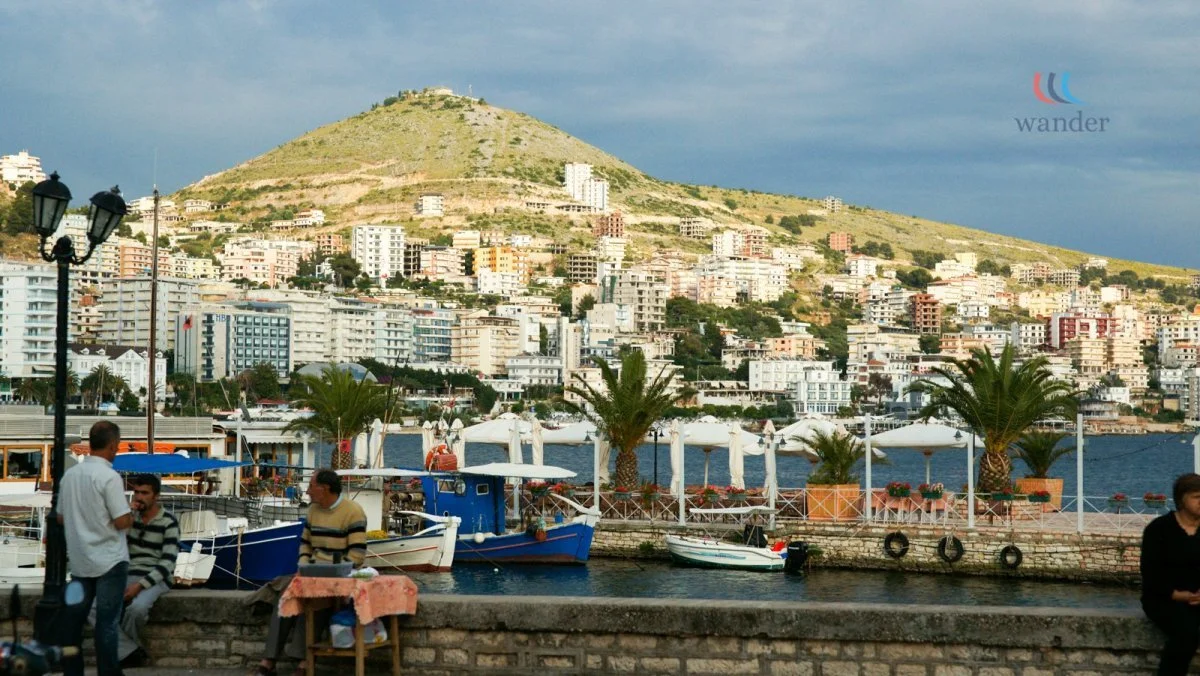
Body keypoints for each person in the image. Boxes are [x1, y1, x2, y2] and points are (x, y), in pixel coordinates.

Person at [252, 469, 368, 676]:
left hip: (338, 576)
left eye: (311, 486)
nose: (307, 491)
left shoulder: (353, 512)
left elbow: (357, 555)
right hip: (311, 572)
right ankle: (269, 660)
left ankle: (303, 662)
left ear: (324, 489)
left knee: (315, 600)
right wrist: (304, 565)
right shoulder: (313, 510)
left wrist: (333, 569)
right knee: (284, 596)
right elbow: (305, 544)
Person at [59, 421, 134, 676]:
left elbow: (60, 517)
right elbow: (121, 520)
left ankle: (73, 670)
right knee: (107, 624)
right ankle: (109, 672)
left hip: (80, 562)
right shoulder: (109, 477)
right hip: (110, 562)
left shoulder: (70, 476)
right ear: (113, 445)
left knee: (73, 624)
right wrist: (132, 515)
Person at [112, 473, 180, 667]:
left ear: (156, 496)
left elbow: (168, 563)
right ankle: (131, 652)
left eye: (144, 493)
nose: (139, 497)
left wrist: (139, 586)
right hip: (127, 573)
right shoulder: (130, 519)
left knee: (137, 609)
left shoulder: (168, 522)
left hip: (156, 577)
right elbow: (114, 544)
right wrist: (127, 517)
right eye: (136, 493)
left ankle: (126, 654)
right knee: (94, 607)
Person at [1141, 473, 1200, 676]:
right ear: (1181, 499)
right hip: (1164, 599)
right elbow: (1150, 573)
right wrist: (1177, 595)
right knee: (1187, 631)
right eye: (1197, 497)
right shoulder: (1159, 530)